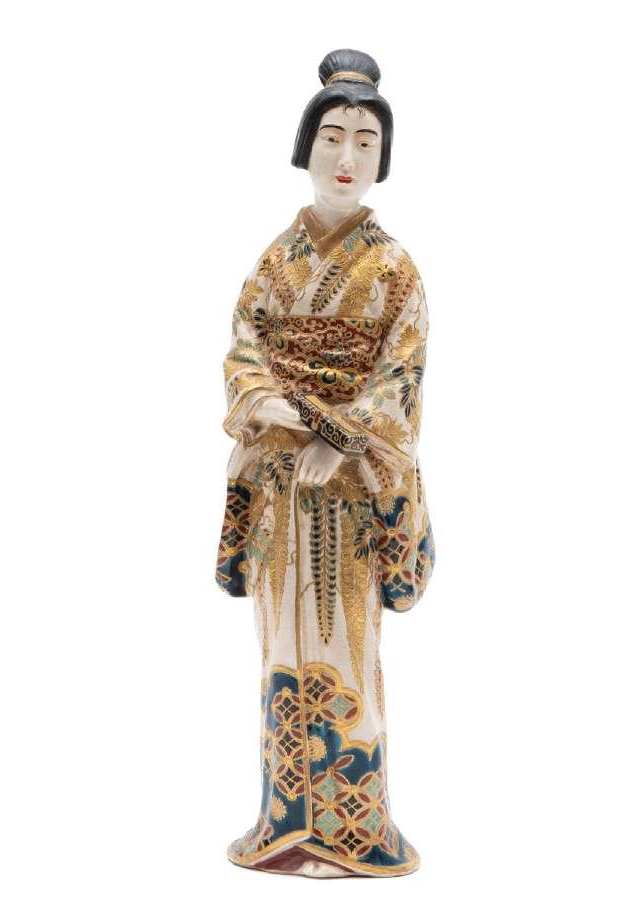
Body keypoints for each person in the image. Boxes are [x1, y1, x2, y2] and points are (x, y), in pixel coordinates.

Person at [216, 48, 435, 878]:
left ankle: (354, 827)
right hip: (281, 484)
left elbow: (400, 379)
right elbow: (243, 351)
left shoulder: (394, 269)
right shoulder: (275, 261)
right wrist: (266, 405)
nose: (347, 158)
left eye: (366, 143)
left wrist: (334, 433)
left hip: (349, 488)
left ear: (383, 159)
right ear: (306, 147)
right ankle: (284, 823)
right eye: (333, 138)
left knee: (346, 646)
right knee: (279, 643)